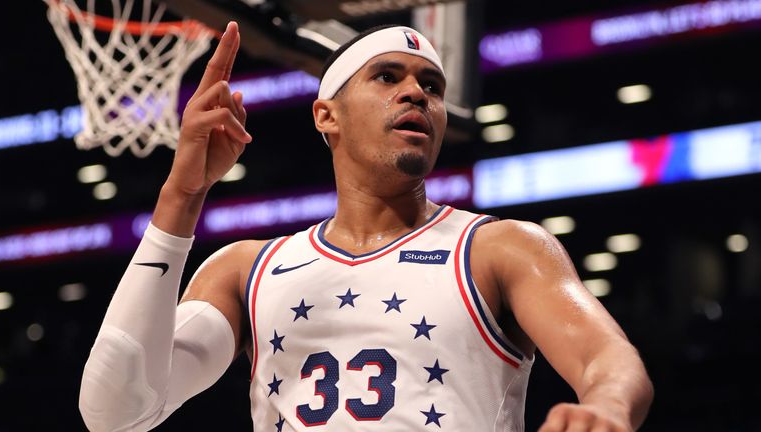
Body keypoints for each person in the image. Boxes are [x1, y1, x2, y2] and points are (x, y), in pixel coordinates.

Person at [78, 21, 653, 432]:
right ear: (326, 115)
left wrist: (605, 406)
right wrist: (182, 196)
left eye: (432, 86)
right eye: (387, 76)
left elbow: (610, 360)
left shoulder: (498, 248)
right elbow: (117, 412)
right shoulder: (246, 270)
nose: (416, 93)